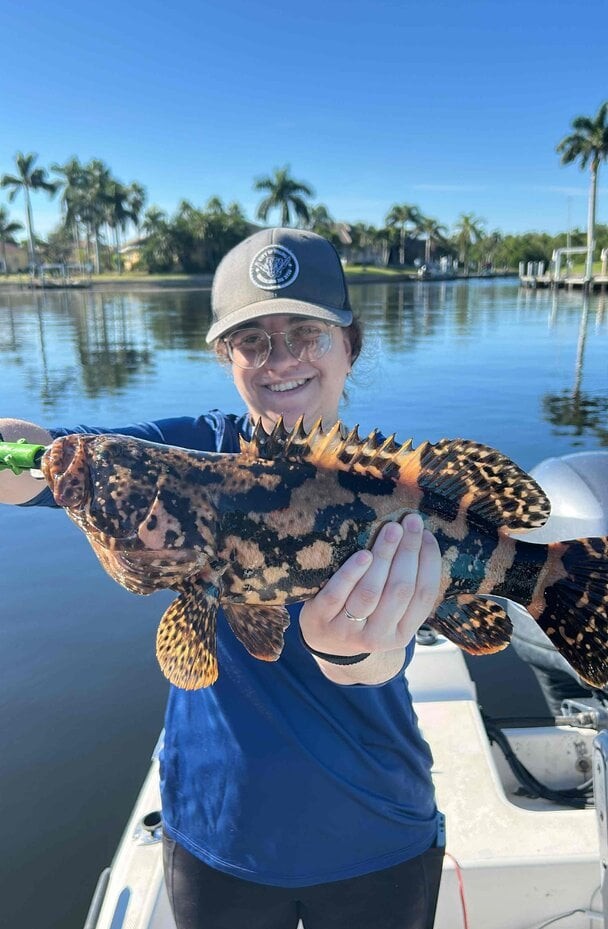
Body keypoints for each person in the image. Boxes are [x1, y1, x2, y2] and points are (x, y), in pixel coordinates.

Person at [0, 228, 445, 929]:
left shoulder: (389, 488)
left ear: (350, 345)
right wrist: (27, 452)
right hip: (217, 835)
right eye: (252, 340)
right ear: (226, 356)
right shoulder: (188, 452)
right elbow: (50, 462)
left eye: (307, 334)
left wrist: (350, 651)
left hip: (376, 831)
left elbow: (384, 662)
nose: (281, 360)